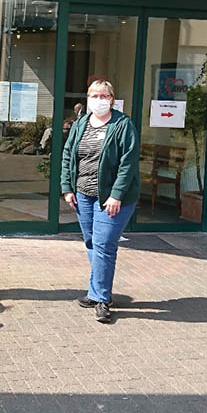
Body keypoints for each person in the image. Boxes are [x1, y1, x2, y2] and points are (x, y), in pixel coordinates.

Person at [60, 80, 140, 323]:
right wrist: (67, 187)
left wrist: (116, 195)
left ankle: (102, 298)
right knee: (91, 241)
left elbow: (128, 163)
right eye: (94, 95)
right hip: (83, 194)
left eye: (103, 95)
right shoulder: (82, 123)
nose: (99, 99)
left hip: (113, 198)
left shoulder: (122, 124)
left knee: (104, 244)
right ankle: (96, 291)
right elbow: (68, 154)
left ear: (112, 99)